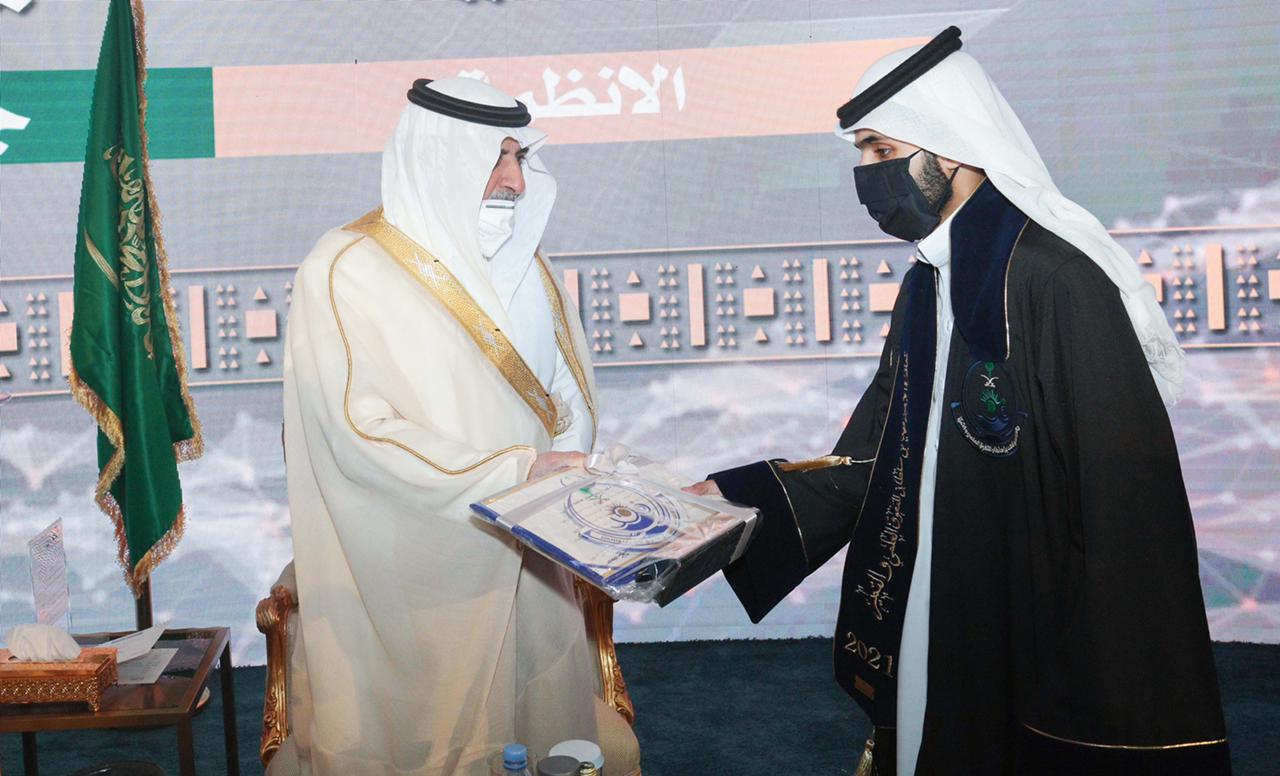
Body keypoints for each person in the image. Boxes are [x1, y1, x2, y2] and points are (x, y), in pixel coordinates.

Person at [686, 27, 1229, 775]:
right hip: (934, 599)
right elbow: (880, 456)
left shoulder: (1056, 280)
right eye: (862, 155)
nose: (869, 174)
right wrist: (734, 502)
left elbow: (1124, 501)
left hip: (1031, 617)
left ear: (952, 149)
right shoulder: (927, 283)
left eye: (882, 149)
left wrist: (1101, 676)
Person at [275, 77, 627, 775]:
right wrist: (512, 474)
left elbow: (568, 392)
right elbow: (358, 431)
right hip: (413, 572)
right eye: (495, 158)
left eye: (520, 157)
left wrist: (557, 474)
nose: (514, 181)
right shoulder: (345, 269)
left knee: (542, 737)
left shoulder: (529, 263)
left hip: (533, 556)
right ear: (439, 156)